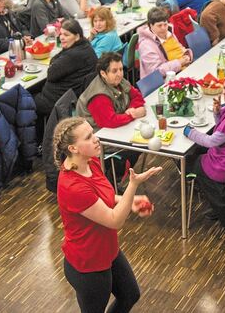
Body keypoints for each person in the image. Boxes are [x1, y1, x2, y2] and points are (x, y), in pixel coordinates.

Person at [54, 117, 160, 313]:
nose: (96, 139)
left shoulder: (90, 162)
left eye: (93, 133)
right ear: (73, 148)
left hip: (106, 250)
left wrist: (128, 201)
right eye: (88, 137)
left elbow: (104, 197)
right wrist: (133, 186)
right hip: (88, 265)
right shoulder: (72, 186)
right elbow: (114, 220)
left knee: (130, 295)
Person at [35, 19, 97, 115]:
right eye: (61, 34)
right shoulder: (85, 46)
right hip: (73, 96)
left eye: (66, 35)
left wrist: (59, 56)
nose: (62, 38)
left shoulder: (72, 55)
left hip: (59, 102)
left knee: (24, 99)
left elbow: (51, 74)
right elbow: (56, 60)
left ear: (76, 37)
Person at [77, 52, 146, 129]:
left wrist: (131, 109)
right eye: (114, 71)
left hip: (120, 127)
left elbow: (137, 96)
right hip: (100, 135)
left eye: (121, 69)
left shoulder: (118, 81)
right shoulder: (98, 96)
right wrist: (134, 114)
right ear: (103, 73)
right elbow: (110, 121)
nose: (119, 74)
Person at [137, 7, 193, 78]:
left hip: (180, 70)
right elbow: (155, 72)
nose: (163, 28)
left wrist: (187, 55)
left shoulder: (169, 33)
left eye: (165, 24)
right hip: (162, 81)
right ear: (151, 25)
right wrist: (179, 62)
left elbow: (180, 48)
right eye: (159, 25)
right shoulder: (146, 45)